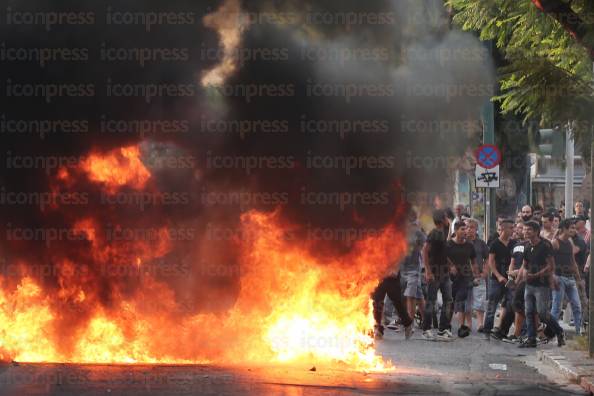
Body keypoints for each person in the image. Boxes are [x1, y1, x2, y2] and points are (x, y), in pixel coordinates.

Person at [519, 221, 565, 348]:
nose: (525, 232)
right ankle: (531, 339)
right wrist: (519, 278)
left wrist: (536, 275)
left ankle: (559, 331)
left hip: (542, 285)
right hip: (529, 285)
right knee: (528, 312)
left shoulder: (545, 245)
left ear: (536, 231)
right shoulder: (527, 247)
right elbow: (525, 264)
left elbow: (551, 265)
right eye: (524, 229)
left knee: (543, 313)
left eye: (528, 230)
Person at [421, 209, 454, 341]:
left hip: (444, 273)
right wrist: (428, 271)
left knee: (448, 300)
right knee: (431, 301)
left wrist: (450, 264)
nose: (448, 219)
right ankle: (426, 329)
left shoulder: (444, 231)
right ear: (441, 220)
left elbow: (443, 251)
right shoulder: (434, 233)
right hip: (434, 273)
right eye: (446, 217)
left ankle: (443, 329)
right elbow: (425, 251)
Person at [484, 219, 516, 340]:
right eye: (511, 228)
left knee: (511, 304)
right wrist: (498, 276)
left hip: (510, 279)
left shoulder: (514, 243)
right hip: (496, 279)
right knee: (492, 303)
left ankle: (503, 329)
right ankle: (487, 328)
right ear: (503, 229)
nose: (513, 230)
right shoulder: (494, 244)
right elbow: (491, 262)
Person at [446, 222, 479, 338]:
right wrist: (450, 266)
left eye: (466, 229)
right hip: (451, 278)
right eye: (462, 229)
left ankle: (461, 327)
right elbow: (442, 257)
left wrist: (476, 276)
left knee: (461, 298)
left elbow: (474, 261)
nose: (465, 231)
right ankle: (447, 325)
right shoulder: (449, 244)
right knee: (451, 301)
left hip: (465, 277)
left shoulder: (469, 245)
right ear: (455, 230)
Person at [551, 219, 583, 335]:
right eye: (572, 228)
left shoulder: (569, 242)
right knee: (556, 307)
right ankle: (552, 333)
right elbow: (548, 261)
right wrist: (552, 276)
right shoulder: (555, 243)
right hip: (559, 278)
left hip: (570, 278)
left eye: (574, 228)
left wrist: (578, 279)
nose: (574, 230)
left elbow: (573, 262)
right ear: (564, 229)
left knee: (577, 306)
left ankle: (579, 333)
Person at [400, 215, 426, 331]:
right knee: (419, 296)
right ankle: (426, 321)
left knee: (410, 295)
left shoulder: (418, 233)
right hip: (401, 267)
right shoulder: (399, 231)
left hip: (414, 268)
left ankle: (410, 324)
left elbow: (424, 249)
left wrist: (425, 267)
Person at [372, 271, 413, 340]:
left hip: (391, 276)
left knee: (397, 302)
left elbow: (397, 260)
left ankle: (407, 324)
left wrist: (395, 268)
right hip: (380, 273)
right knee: (377, 301)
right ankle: (379, 329)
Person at [466, 218, 489, 332]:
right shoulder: (461, 242)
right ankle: (469, 324)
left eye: (471, 228)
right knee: (466, 300)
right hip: (464, 276)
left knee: (480, 300)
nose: (469, 230)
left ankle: (480, 323)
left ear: (476, 230)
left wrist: (485, 271)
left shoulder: (481, 243)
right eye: (467, 227)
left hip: (479, 275)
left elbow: (488, 258)